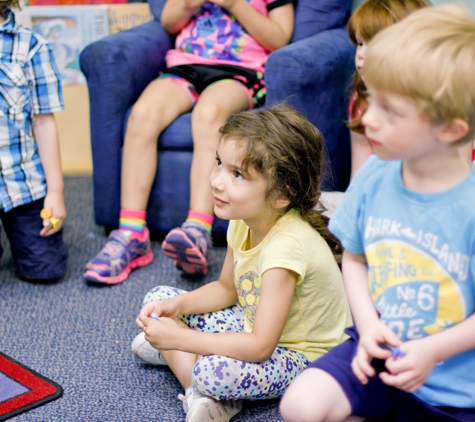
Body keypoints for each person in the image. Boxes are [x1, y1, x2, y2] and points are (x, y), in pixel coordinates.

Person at [280, 5, 475, 422]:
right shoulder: (375, 176)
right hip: (375, 357)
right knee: (299, 405)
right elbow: (354, 256)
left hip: (454, 392)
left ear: (451, 130)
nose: (367, 118)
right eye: (371, 100)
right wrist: (367, 328)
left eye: (391, 111)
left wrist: (433, 351)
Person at [131, 104, 352, 422]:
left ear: (282, 195)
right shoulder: (244, 218)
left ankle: (198, 384)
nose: (217, 181)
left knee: (210, 371)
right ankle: (201, 387)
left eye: (237, 174)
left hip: (304, 358)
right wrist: (177, 305)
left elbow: (262, 346)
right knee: (159, 300)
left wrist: (179, 339)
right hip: (254, 325)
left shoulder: (286, 246)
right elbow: (226, 289)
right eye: (219, 163)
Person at [83, 0, 295, 284]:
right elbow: (170, 23)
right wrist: (187, 5)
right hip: (185, 67)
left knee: (209, 116)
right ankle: (131, 232)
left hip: (238, 72)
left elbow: (280, 38)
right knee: (142, 115)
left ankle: (197, 229)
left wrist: (235, 5)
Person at [0, 0, 67, 281]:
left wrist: (56, 191)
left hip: (22, 184)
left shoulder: (32, 46)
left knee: (45, 270)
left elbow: (44, 122)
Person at [347, 0, 431, 180]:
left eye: (374, 43)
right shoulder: (361, 99)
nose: (361, 54)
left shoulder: (439, 102)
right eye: (360, 43)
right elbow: (360, 174)